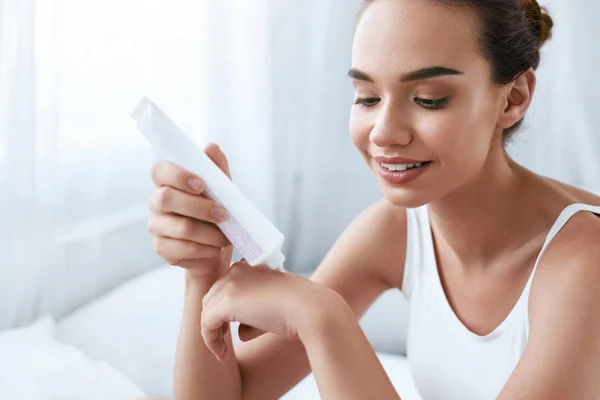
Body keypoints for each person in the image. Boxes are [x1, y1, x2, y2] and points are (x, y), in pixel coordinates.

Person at [145, 0, 600, 398]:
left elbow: (320, 319)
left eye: (428, 99)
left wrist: (323, 320)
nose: (383, 132)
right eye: (366, 97)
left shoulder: (585, 261)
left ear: (513, 99)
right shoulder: (396, 231)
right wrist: (204, 271)